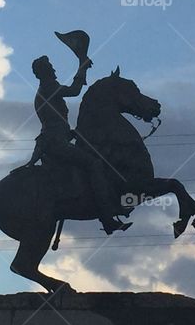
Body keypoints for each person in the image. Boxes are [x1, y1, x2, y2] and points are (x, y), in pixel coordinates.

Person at [22, 54, 130, 235]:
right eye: (51, 67)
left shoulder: (46, 88)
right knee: (94, 164)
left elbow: (56, 122)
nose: (54, 70)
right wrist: (82, 67)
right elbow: (74, 91)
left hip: (57, 138)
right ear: (44, 72)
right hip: (55, 143)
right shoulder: (49, 87)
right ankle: (107, 217)